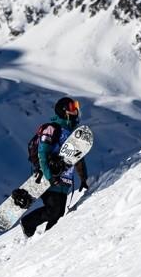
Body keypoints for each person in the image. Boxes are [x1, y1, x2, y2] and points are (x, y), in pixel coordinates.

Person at [19, 97, 90, 237]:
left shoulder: (73, 134)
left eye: (76, 106)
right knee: (54, 211)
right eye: (71, 107)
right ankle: (28, 222)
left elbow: (78, 159)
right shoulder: (51, 129)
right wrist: (48, 176)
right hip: (50, 180)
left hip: (64, 182)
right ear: (64, 110)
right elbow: (42, 153)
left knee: (58, 214)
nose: (75, 110)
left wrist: (83, 179)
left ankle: (48, 240)